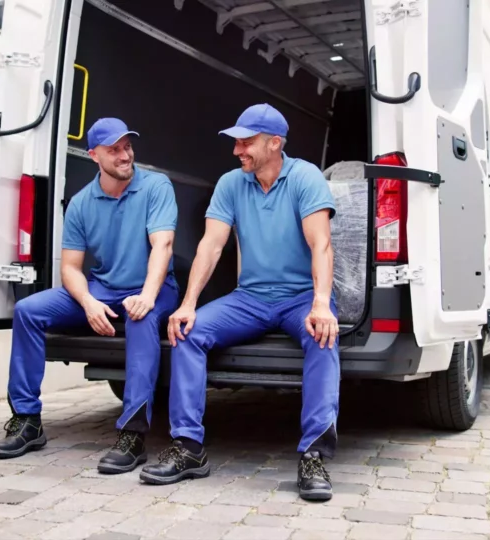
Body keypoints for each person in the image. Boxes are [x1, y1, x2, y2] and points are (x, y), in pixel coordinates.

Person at [139, 104, 341, 502]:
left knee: (322, 335)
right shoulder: (232, 183)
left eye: (246, 143)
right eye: (236, 143)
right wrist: (188, 303)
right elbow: (211, 246)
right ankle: (188, 448)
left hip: (300, 296)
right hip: (250, 297)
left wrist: (321, 303)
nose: (237, 151)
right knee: (187, 332)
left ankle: (314, 454)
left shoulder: (305, 177)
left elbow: (321, 244)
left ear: (275, 143)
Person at [0, 117, 180, 476]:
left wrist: (148, 296)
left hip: (155, 287)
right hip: (102, 289)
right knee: (28, 311)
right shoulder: (81, 203)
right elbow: (71, 269)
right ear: (94, 155)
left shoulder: (157, 187)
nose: (125, 155)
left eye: (128, 147)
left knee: (140, 318)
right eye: (114, 150)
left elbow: (163, 245)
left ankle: (132, 435)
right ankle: (27, 421)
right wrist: (89, 303)